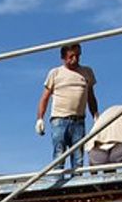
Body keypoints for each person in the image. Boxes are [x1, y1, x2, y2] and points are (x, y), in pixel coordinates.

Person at [35, 43, 97, 171]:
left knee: (78, 157)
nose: (75, 59)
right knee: (59, 154)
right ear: (63, 58)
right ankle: (58, 185)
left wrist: (96, 116)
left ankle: (78, 186)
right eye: (71, 56)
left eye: (77, 56)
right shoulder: (55, 73)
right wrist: (40, 118)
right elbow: (45, 98)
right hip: (59, 120)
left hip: (79, 121)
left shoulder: (87, 72)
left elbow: (91, 97)